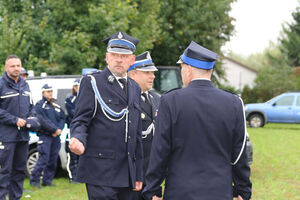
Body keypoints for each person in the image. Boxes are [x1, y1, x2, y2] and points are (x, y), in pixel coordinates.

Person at [142, 41, 252, 200]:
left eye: (181, 68)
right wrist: (243, 189)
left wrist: (152, 190)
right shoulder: (234, 103)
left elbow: (160, 151)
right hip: (220, 192)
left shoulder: (170, 101)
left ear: (187, 69)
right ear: (211, 71)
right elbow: (239, 154)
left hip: (180, 192)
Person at [69, 31, 143, 200]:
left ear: (132, 60)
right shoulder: (92, 82)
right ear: (107, 57)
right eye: (115, 55)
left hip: (127, 172)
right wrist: (78, 138)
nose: (119, 59)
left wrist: (138, 172)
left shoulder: (135, 88)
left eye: (124, 56)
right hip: (100, 170)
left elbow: (136, 133)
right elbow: (80, 120)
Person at [0, 55, 34, 200]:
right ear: (6, 68)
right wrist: (15, 120)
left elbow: (31, 107)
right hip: (6, 136)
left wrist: (31, 119)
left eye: (18, 66)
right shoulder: (1, 85)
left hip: (23, 136)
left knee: (19, 171)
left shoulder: (25, 85)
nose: (16, 68)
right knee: (5, 171)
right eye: (13, 66)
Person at [128, 51, 161, 200]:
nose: (152, 76)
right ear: (132, 74)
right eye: (147, 72)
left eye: (152, 72)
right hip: (132, 173)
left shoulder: (157, 99)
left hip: (154, 173)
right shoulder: (124, 99)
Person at [30, 84, 65, 188]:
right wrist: (54, 130)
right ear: (43, 93)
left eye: (51, 91)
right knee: (43, 160)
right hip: (45, 136)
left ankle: (47, 181)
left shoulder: (56, 105)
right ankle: (34, 181)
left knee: (53, 160)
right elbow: (42, 120)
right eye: (47, 91)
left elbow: (62, 118)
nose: (50, 93)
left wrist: (59, 129)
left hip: (56, 137)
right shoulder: (39, 105)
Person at [65, 78, 80, 183]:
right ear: (75, 87)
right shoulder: (70, 99)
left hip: (82, 131)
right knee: (72, 155)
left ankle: (80, 176)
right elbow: (72, 114)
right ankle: (72, 177)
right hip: (72, 130)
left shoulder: (86, 98)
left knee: (81, 155)